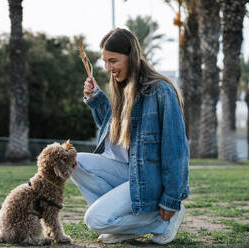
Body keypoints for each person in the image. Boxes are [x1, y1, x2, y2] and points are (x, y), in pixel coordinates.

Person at [71, 28, 190, 245]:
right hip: (126, 172)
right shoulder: (122, 89)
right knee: (71, 160)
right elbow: (114, 129)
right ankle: (126, 226)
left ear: (131, 56)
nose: (108, 68)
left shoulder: (161, 91)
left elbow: (176, 151)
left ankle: (161, 222)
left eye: (113, 61)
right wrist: (96, 98)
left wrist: (171, 199)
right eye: (105, 62)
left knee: (94, 220)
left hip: (147, 179)